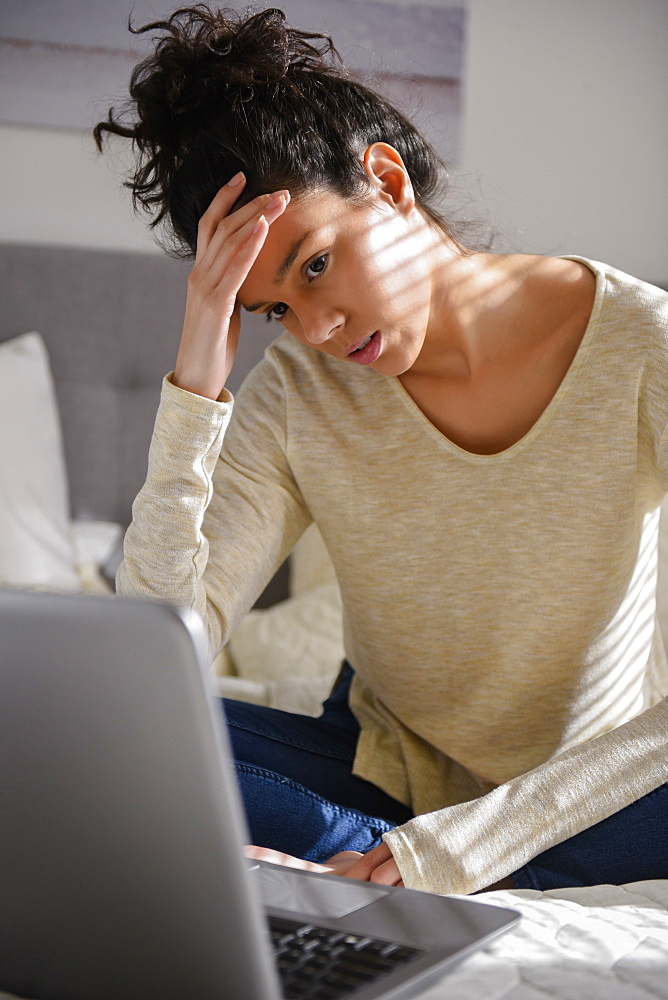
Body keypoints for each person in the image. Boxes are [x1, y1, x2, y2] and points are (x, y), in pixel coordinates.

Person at [95, 5, 668, 895]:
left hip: (590, 795)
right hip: (384, 772)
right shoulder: (296, 392)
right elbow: (149, 663)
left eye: (316, 263)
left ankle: (384, 863)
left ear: (388, 181)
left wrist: (456, 850)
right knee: (73, 742)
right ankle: (370, 859)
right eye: (274, 309)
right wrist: (199, 379)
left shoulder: (644, 344)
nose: (316, 328)